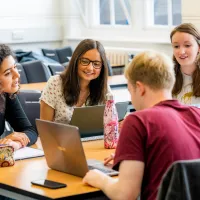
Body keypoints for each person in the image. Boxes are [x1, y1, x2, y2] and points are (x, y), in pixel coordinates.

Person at [82, 51, 200, 200]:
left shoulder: (138, 121)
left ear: (140, 87)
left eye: (130, 91)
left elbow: (125, 195)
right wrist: (132, 158)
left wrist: (100, 179)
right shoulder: (196, 114)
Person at [40, 39, 110, 123]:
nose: (90, 68)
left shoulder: (104, 88)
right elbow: (45, 129)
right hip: (57, 136)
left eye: (96, 64)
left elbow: (109, 123)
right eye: (85, 61)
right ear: (75, 61)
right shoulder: (55, 83)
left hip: (92, 136)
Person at [0, 44, 38, 150]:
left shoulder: (6, 94)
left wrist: (16, 143)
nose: (17, 75)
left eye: (15, 67)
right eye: (8, 73)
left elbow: (30, 131)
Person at [170, 23, 200, 105]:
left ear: (198, 48)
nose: (181, 52)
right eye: (176, 46)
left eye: (187, 45)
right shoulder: (167, 77)